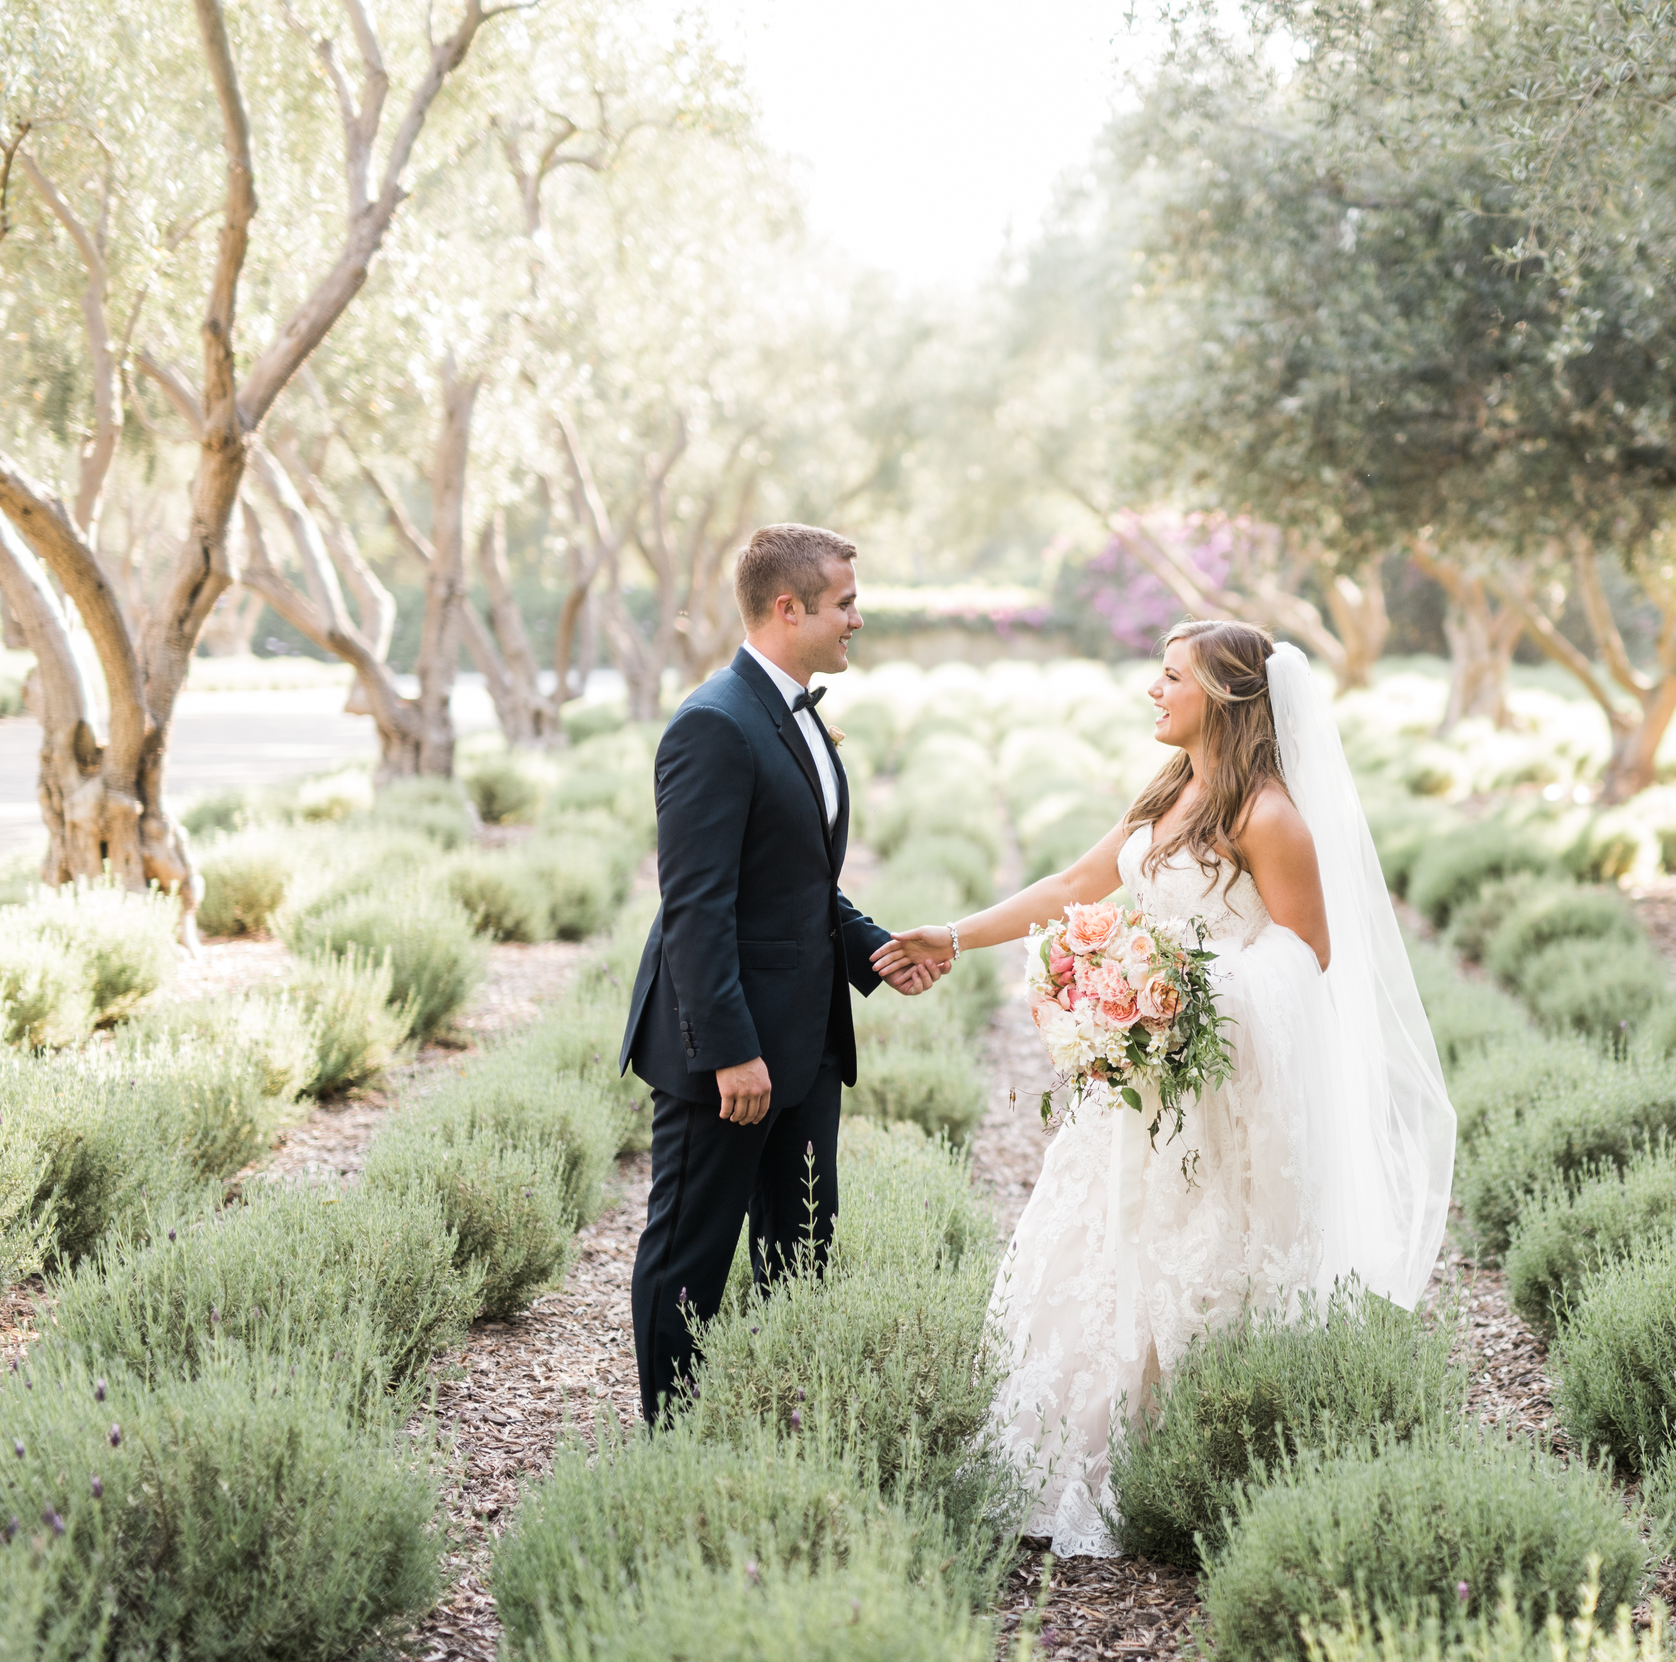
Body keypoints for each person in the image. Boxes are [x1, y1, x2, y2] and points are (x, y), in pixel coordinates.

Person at [873, 619, 1455, 1555]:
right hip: (1142, 1087)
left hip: (1219, 1088)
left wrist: (1185, 996)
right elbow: (1075, 882)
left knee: (1205, 1260)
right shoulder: (1171, 793)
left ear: (1222, 695)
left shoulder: (1269, 816)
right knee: (1103, 1248)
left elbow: (1308, 954)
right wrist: (957, 933)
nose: (1154, 688)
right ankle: (1084, 1461)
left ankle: (1208, 1466)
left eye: (1171, 674)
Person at [618, 521, 941, 1427]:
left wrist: (877, 949)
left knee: (800, 1253)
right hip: (727, 1055)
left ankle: (771, 1432)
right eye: (846, 603)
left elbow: (800, 882)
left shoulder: (796, 708)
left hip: (806, 1042)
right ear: (788, 607)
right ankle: (675, 1444)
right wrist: (730, 1051)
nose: (858, 619)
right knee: (690, 1255)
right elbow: (696, 907)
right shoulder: (713, 724)